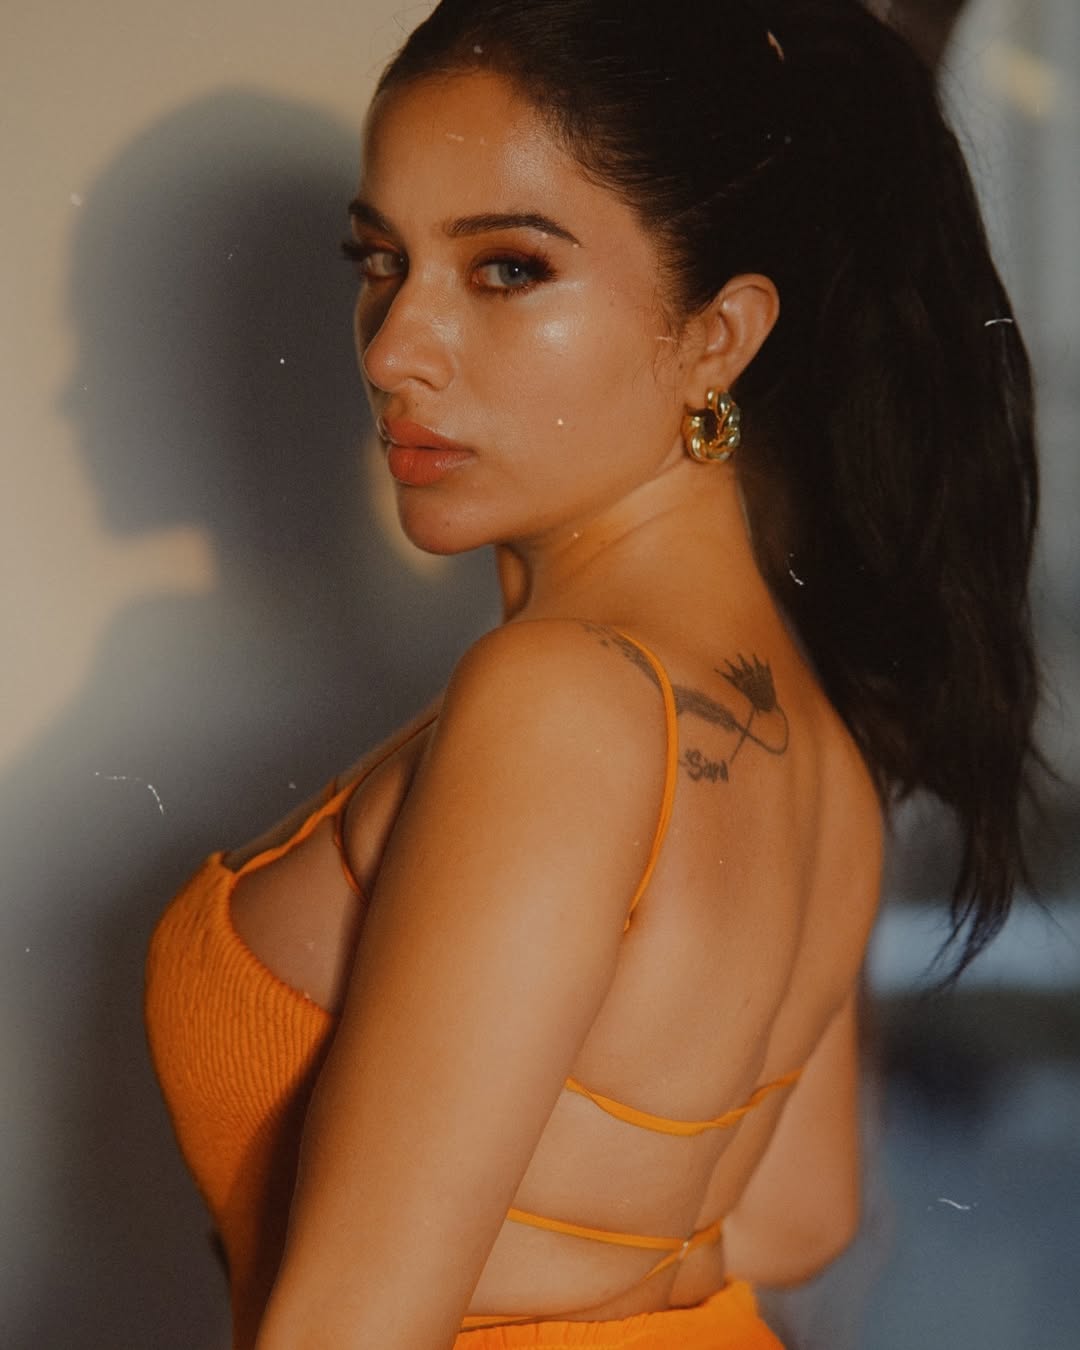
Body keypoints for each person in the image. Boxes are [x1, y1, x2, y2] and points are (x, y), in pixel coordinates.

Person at [144, 2, 1042, 1347]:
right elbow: (797, 1217)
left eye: (506, 268)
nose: (392, 349)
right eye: (379, 260)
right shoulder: (823, 742)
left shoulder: (557, 701)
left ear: (719, 336)